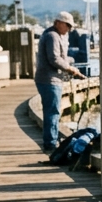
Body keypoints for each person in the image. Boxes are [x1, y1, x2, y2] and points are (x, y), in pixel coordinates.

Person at [35, 11, 84, 153]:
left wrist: (70, 62)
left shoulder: (56, 35)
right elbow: (54, 59)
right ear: (58, 23)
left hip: (50, 79)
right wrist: (69, 68)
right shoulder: (52, 36)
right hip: (49, 80)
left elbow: (59, 57)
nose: (69, 29)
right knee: (53, 111)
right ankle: (51, 144)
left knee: (51, 110)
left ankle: (52, 139)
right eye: (67, 25)